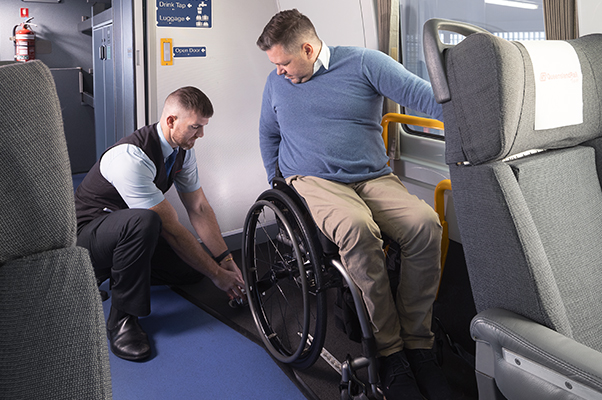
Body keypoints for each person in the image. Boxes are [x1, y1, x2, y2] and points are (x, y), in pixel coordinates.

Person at [257, 9, 452, 400]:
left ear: (308, 49)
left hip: (372, 177)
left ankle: (418, 342)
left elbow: (423, 97)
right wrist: (277, 183)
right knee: (358, 229)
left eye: (283, 62)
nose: (278, 71)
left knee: (425, 224)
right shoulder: (275, 84)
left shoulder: (364, 63)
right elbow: (268, 133)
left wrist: (475, 117)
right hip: (313, 181)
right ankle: (390, 351)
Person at [75, 86, 244, 361]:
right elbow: (171, 229)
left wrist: (223, 260)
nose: (201, 134)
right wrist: (217, 276)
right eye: (195, 127)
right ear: (171, 121)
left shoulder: (182, 151)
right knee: (145, 221)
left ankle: (120, 275)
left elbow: (198, 207)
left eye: (203, 127)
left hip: (126, 237)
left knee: (189, 272)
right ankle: (122, 320)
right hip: (88, 239)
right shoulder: (130, 157)